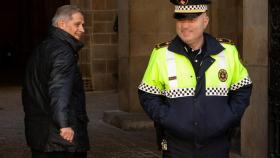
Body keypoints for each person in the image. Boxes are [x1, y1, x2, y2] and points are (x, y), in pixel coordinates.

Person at [138, 0, 253, 157]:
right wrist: (168, 119)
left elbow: (243, 88)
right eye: (180, 19)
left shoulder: (227, 52)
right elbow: (147, 94)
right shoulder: (161, 54)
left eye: (191, 19)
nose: (184, 26)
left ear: (205, 21)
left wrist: (227, 117)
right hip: (176, 147)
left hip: (217, 146)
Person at [22, 5, 89, 158]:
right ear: (62, 24)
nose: (82, 29)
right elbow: (60, 90)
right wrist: (64, 124)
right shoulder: (64, 52)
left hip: (40, 132)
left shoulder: (42, 48)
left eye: (83, 25)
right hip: (60, 139)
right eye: (77, 24)